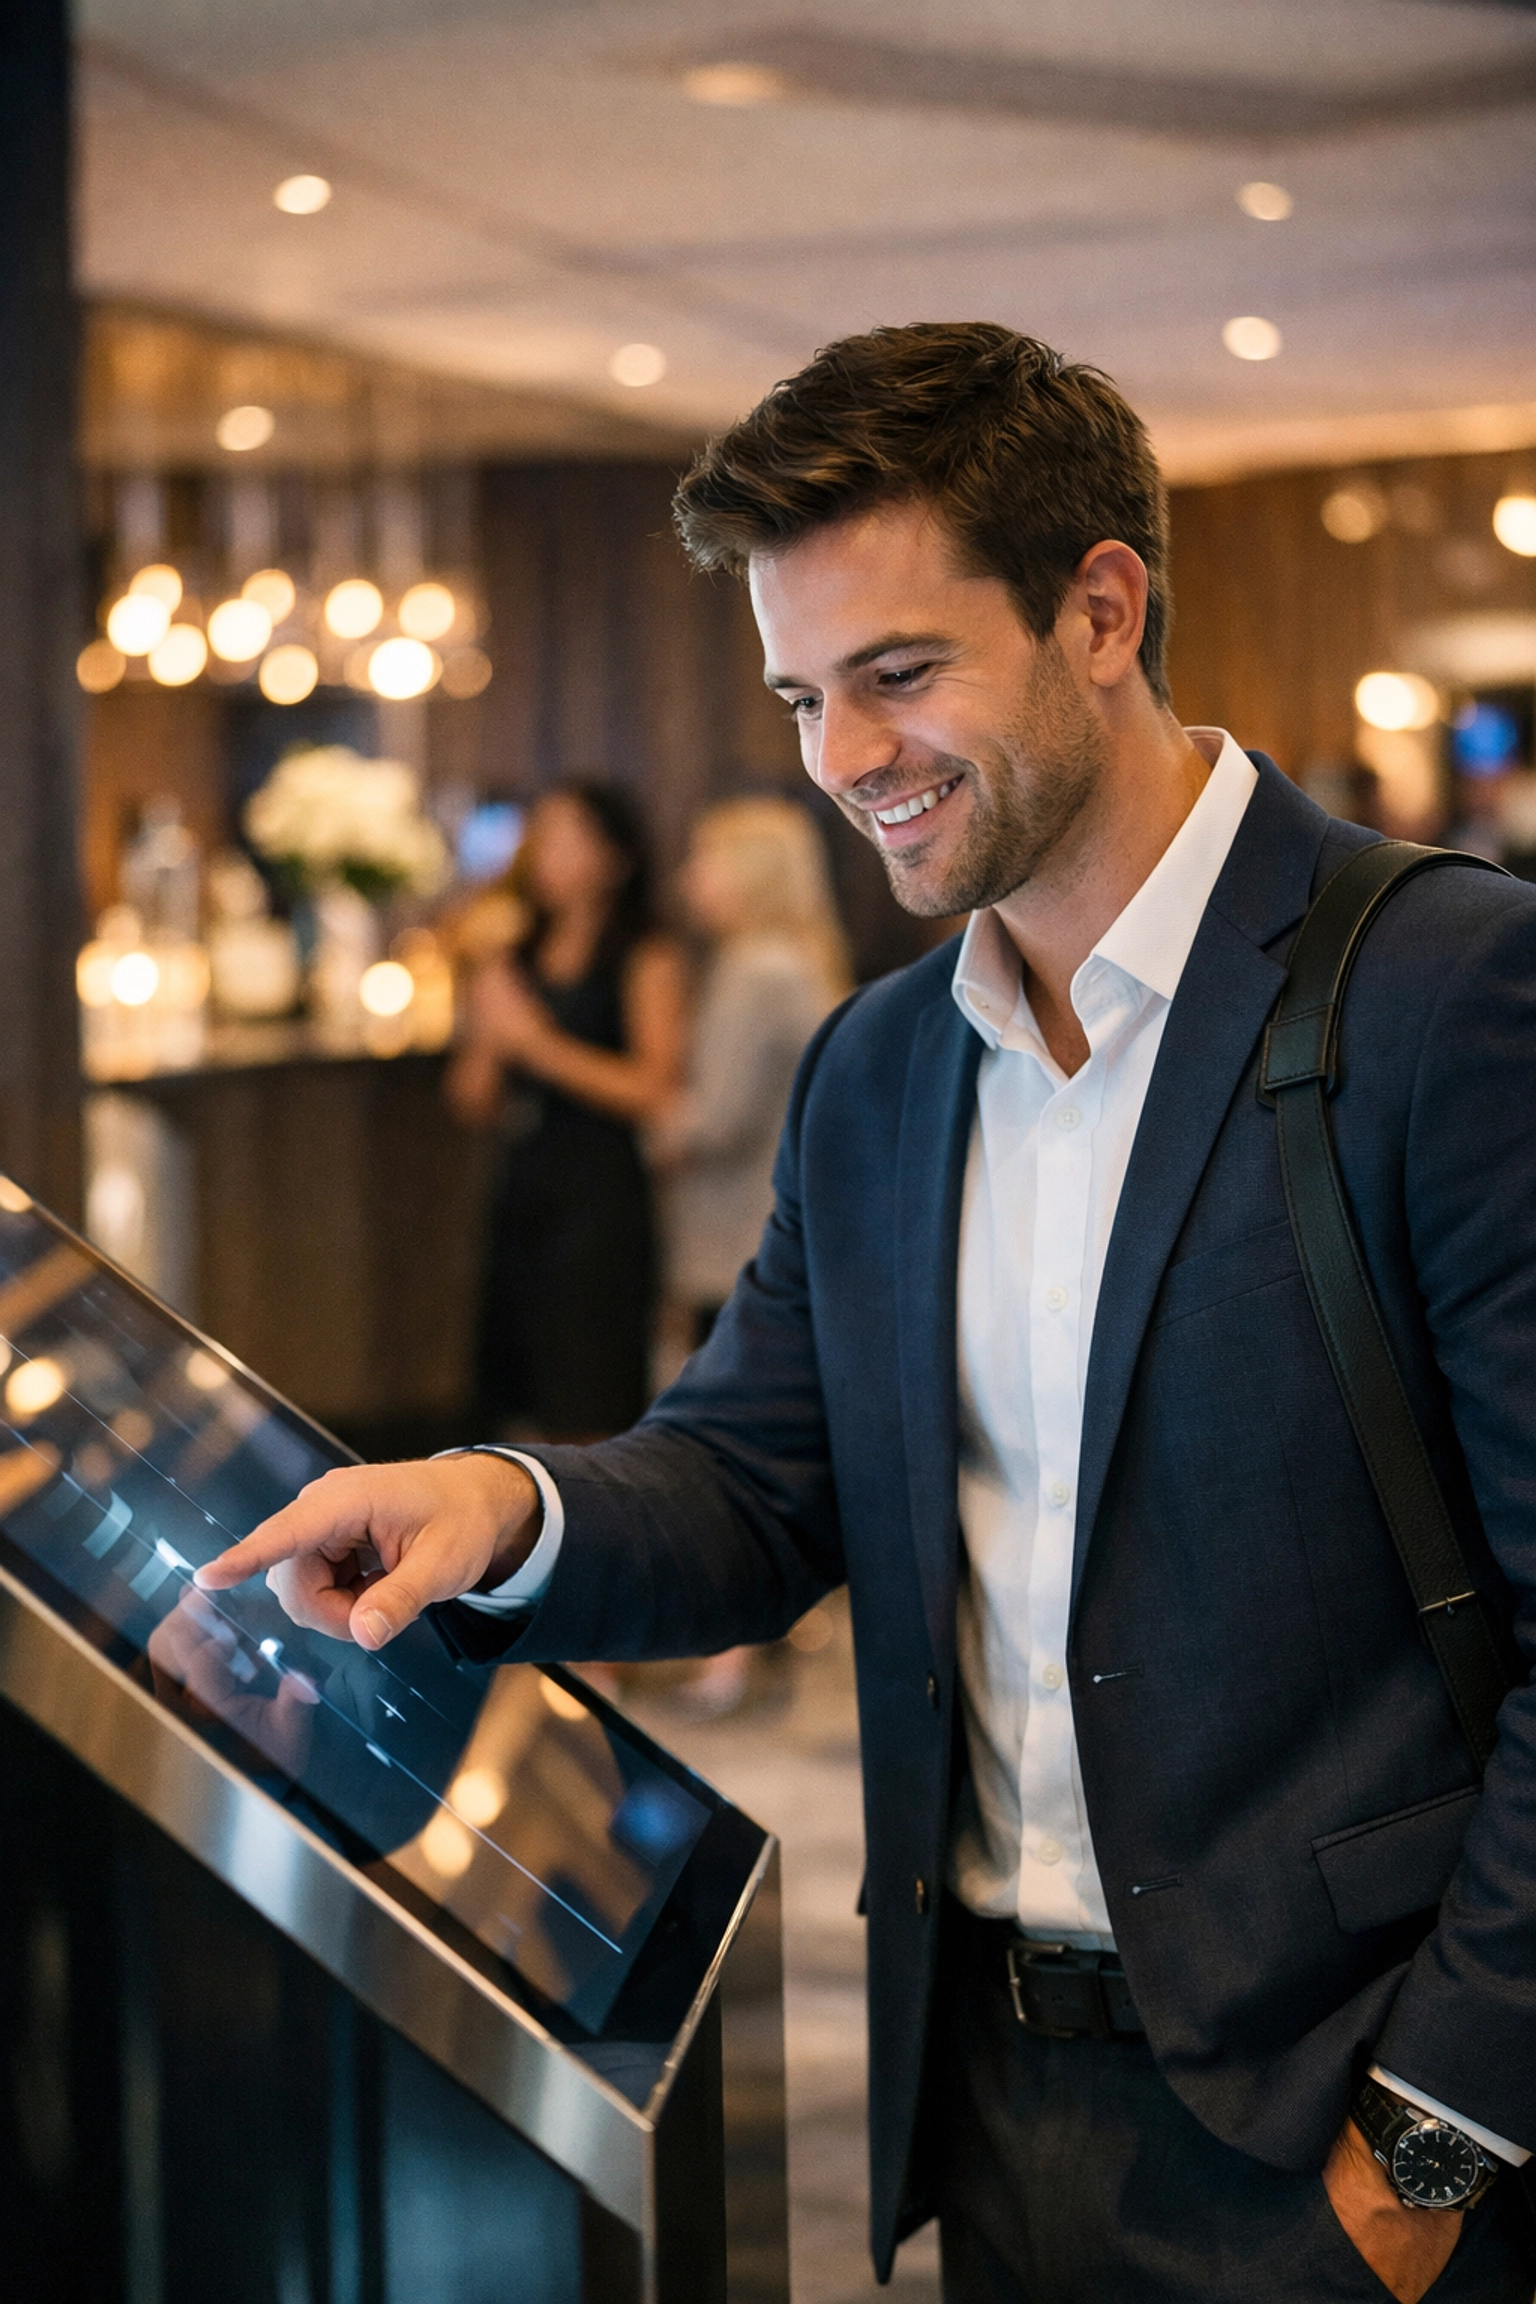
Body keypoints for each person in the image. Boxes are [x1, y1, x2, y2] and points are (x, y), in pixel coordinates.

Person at [198, 325, 1536, 2303]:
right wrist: (503, 1508)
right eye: (803, 696)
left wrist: (1431, 2142)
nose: (841, 761)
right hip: (987, 2116)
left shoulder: (1451, 995)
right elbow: (754, 1485)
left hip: (1354, 2117)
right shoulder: (884, 1064)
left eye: (900, 676)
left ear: (1102, 608)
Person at [651, 795, 851, 1710]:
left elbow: (716, 1119)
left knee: (723, 1436)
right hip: (776, 1225)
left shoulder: (752, 968)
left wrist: (646, 1126)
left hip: (731, 1233)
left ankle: (731, 1654)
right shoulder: (803, 960)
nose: (692, 879)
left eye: (707, 859)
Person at [447, 779, 685, 1441]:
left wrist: (537, 1044)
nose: (547, 854)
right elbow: (472, 1100)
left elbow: (655, 1090)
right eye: (540, 836)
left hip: (601, 1196)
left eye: (566, 836)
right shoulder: (514, 955)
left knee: (591, 1384)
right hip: (522, 1185)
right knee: (512, 1385)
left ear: (616, 857)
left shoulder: (645, 955)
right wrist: (491, 1036)